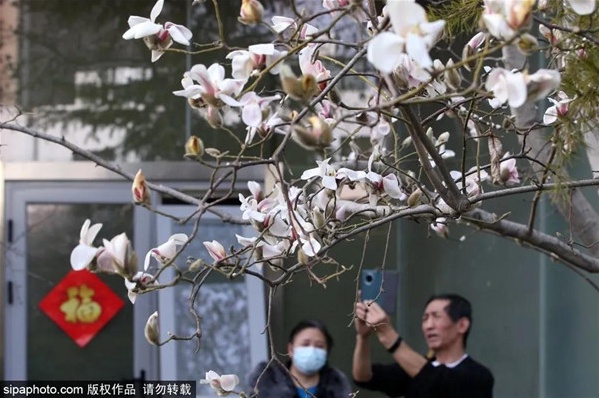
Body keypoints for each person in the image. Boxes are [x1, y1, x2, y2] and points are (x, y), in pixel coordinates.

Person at [352, 293, 494, 397]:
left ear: (462, 325)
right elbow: (363, 377)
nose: (428, 326)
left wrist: (388, 335)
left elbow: (436, 381)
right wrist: (363, 337)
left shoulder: (479, 377)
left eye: (436, 316)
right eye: (425, 319)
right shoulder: (410, 369)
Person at [248, 319, 352, 398]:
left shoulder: (337, 386)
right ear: (291, 349)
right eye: (305, 344)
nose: (312, 350)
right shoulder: (268, 381)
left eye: (319, 346)